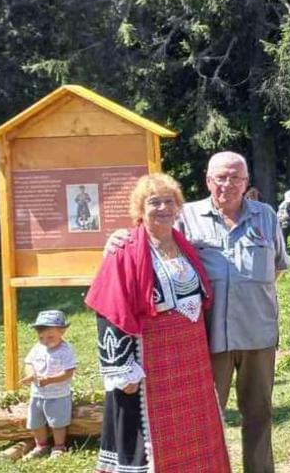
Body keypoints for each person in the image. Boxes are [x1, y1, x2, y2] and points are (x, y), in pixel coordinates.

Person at [106, 152, 288, 473]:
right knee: (201, 415)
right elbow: (151, 236)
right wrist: (116, 239)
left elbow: (277, 269)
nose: (228, 184)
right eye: (220, 177)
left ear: (246, 182)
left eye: (236, 177)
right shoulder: (186, 215)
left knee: (259, 413)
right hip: (207, 337)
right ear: (208, 181)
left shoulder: (267, 216)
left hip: (258, 335)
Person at [86, 173, 230, 473]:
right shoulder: (125, 250)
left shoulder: (185, 245)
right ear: (140, 208)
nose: (163, 207)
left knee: (193, 430)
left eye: (169, 201)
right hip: (151, 362)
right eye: (154, 202)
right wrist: (123, 368)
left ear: (178, 207)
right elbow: (110, 309)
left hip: (191, 362)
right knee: (153, 435)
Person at [20, 309, 76, 460]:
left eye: (50, 336)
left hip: (58, 394)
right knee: (36, 422)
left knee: (57, 422)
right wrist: (30, 374)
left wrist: (50, 379)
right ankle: (41, 445)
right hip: (37, 394)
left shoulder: (66, 350)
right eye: (41, 337)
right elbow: (29, 362)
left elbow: (68, 372)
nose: (45, 340)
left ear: (62, 331)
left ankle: (59, 446)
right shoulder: (38, 348)